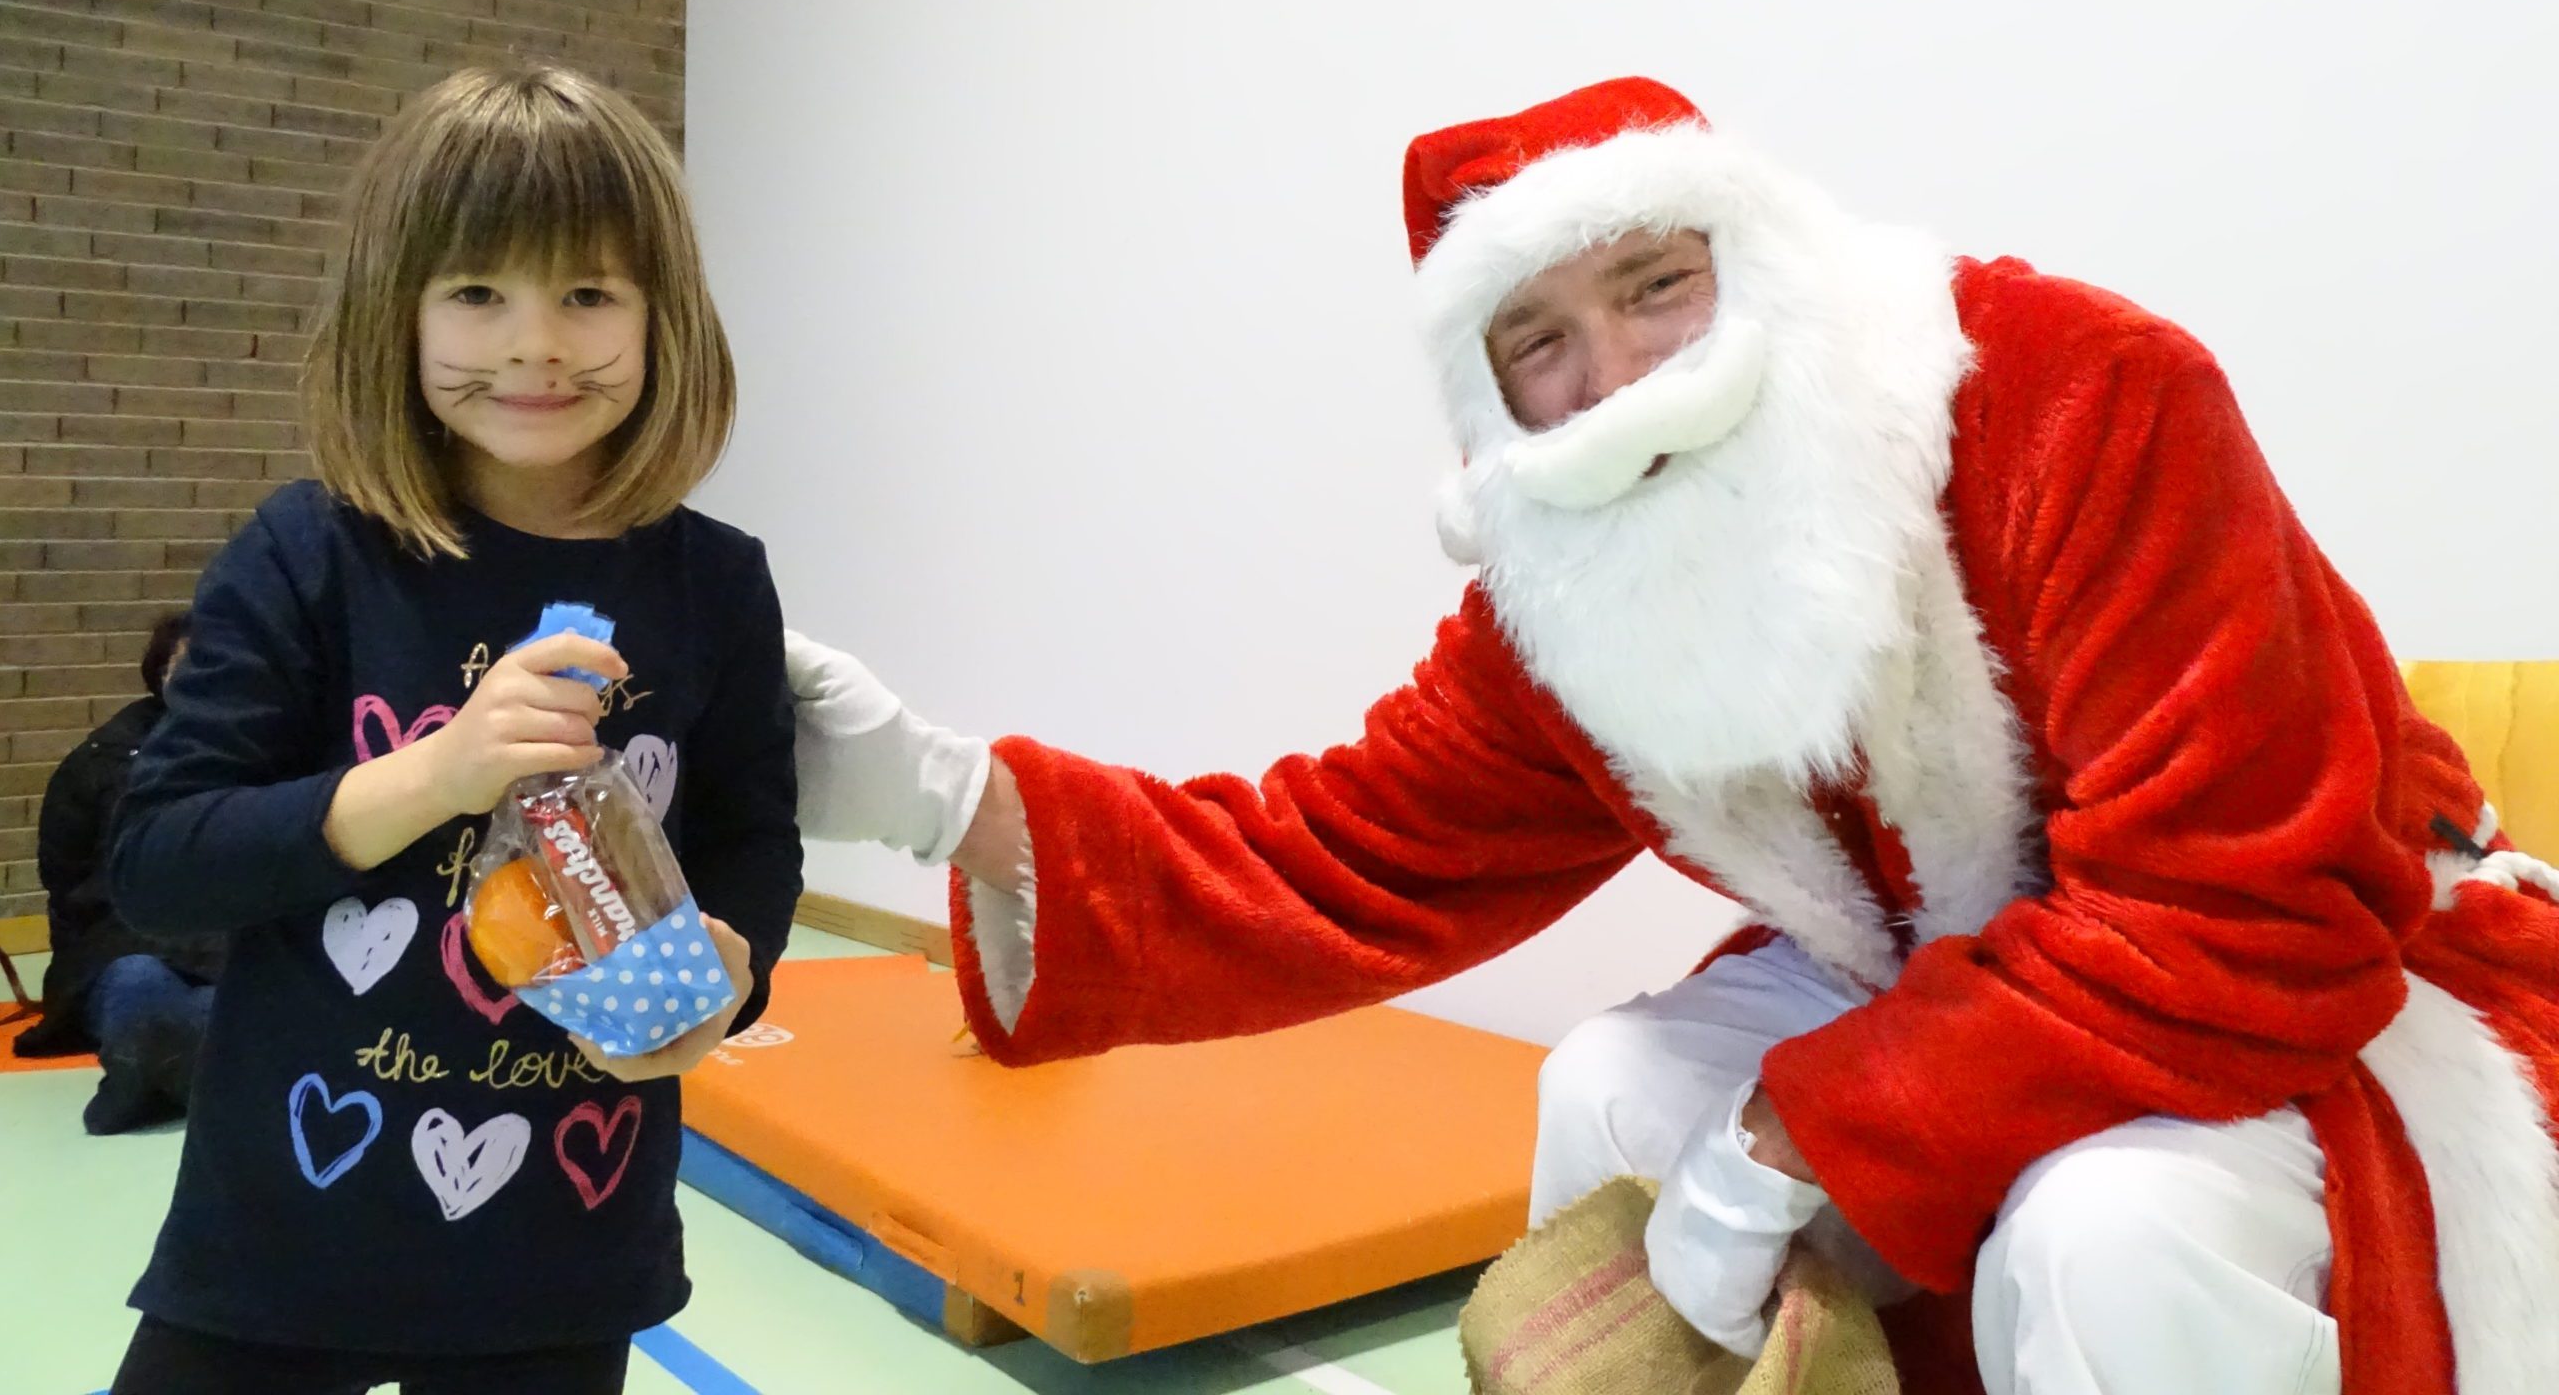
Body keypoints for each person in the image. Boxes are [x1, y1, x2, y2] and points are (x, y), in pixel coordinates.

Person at [785, 77, 2559, 1395]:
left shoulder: (2079, 393)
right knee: (1612, 1090)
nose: (1622, 381)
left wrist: (1801, 1137)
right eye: (1540, 342)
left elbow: (2253, 908)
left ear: (1761, 261)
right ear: (1491, 403)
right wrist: (947, 799)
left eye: (1656, 284)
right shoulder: (1564, 599)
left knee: (2112, 1235)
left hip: (2323, 976)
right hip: (1954, 980)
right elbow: (1340, 856)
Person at [105, 63, 802, 1395]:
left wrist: (729, 973)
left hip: (562, 1251)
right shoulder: (309, 553)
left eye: (589, 294)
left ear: (663, 316)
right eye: (478, 292)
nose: (536, 343)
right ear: (399, 311)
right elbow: (159, 862)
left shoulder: (715, 583)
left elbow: (750, 837)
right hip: (281, 1238)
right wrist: (439, 772)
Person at [18, 611, 228, 1133]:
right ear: (161, 674)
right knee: (143, 993)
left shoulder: (265, 753)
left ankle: (163, 1079)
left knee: (256, 1003)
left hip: (230, 950)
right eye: (188, 667)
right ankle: (189, 1073)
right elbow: (69, 884)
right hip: (125, 950)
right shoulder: (102, 761)